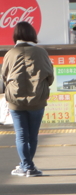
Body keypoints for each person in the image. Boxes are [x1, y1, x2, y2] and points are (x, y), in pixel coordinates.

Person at [1, 21, 55, 177]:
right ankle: (28, 166)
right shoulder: (41, 53)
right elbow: (49, 76)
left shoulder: (10, 54)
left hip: (15, 100)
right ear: (32, 34)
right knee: (33, 135)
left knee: (21, 134)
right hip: (37, 99)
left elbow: (4, 76)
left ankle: (26, 166)